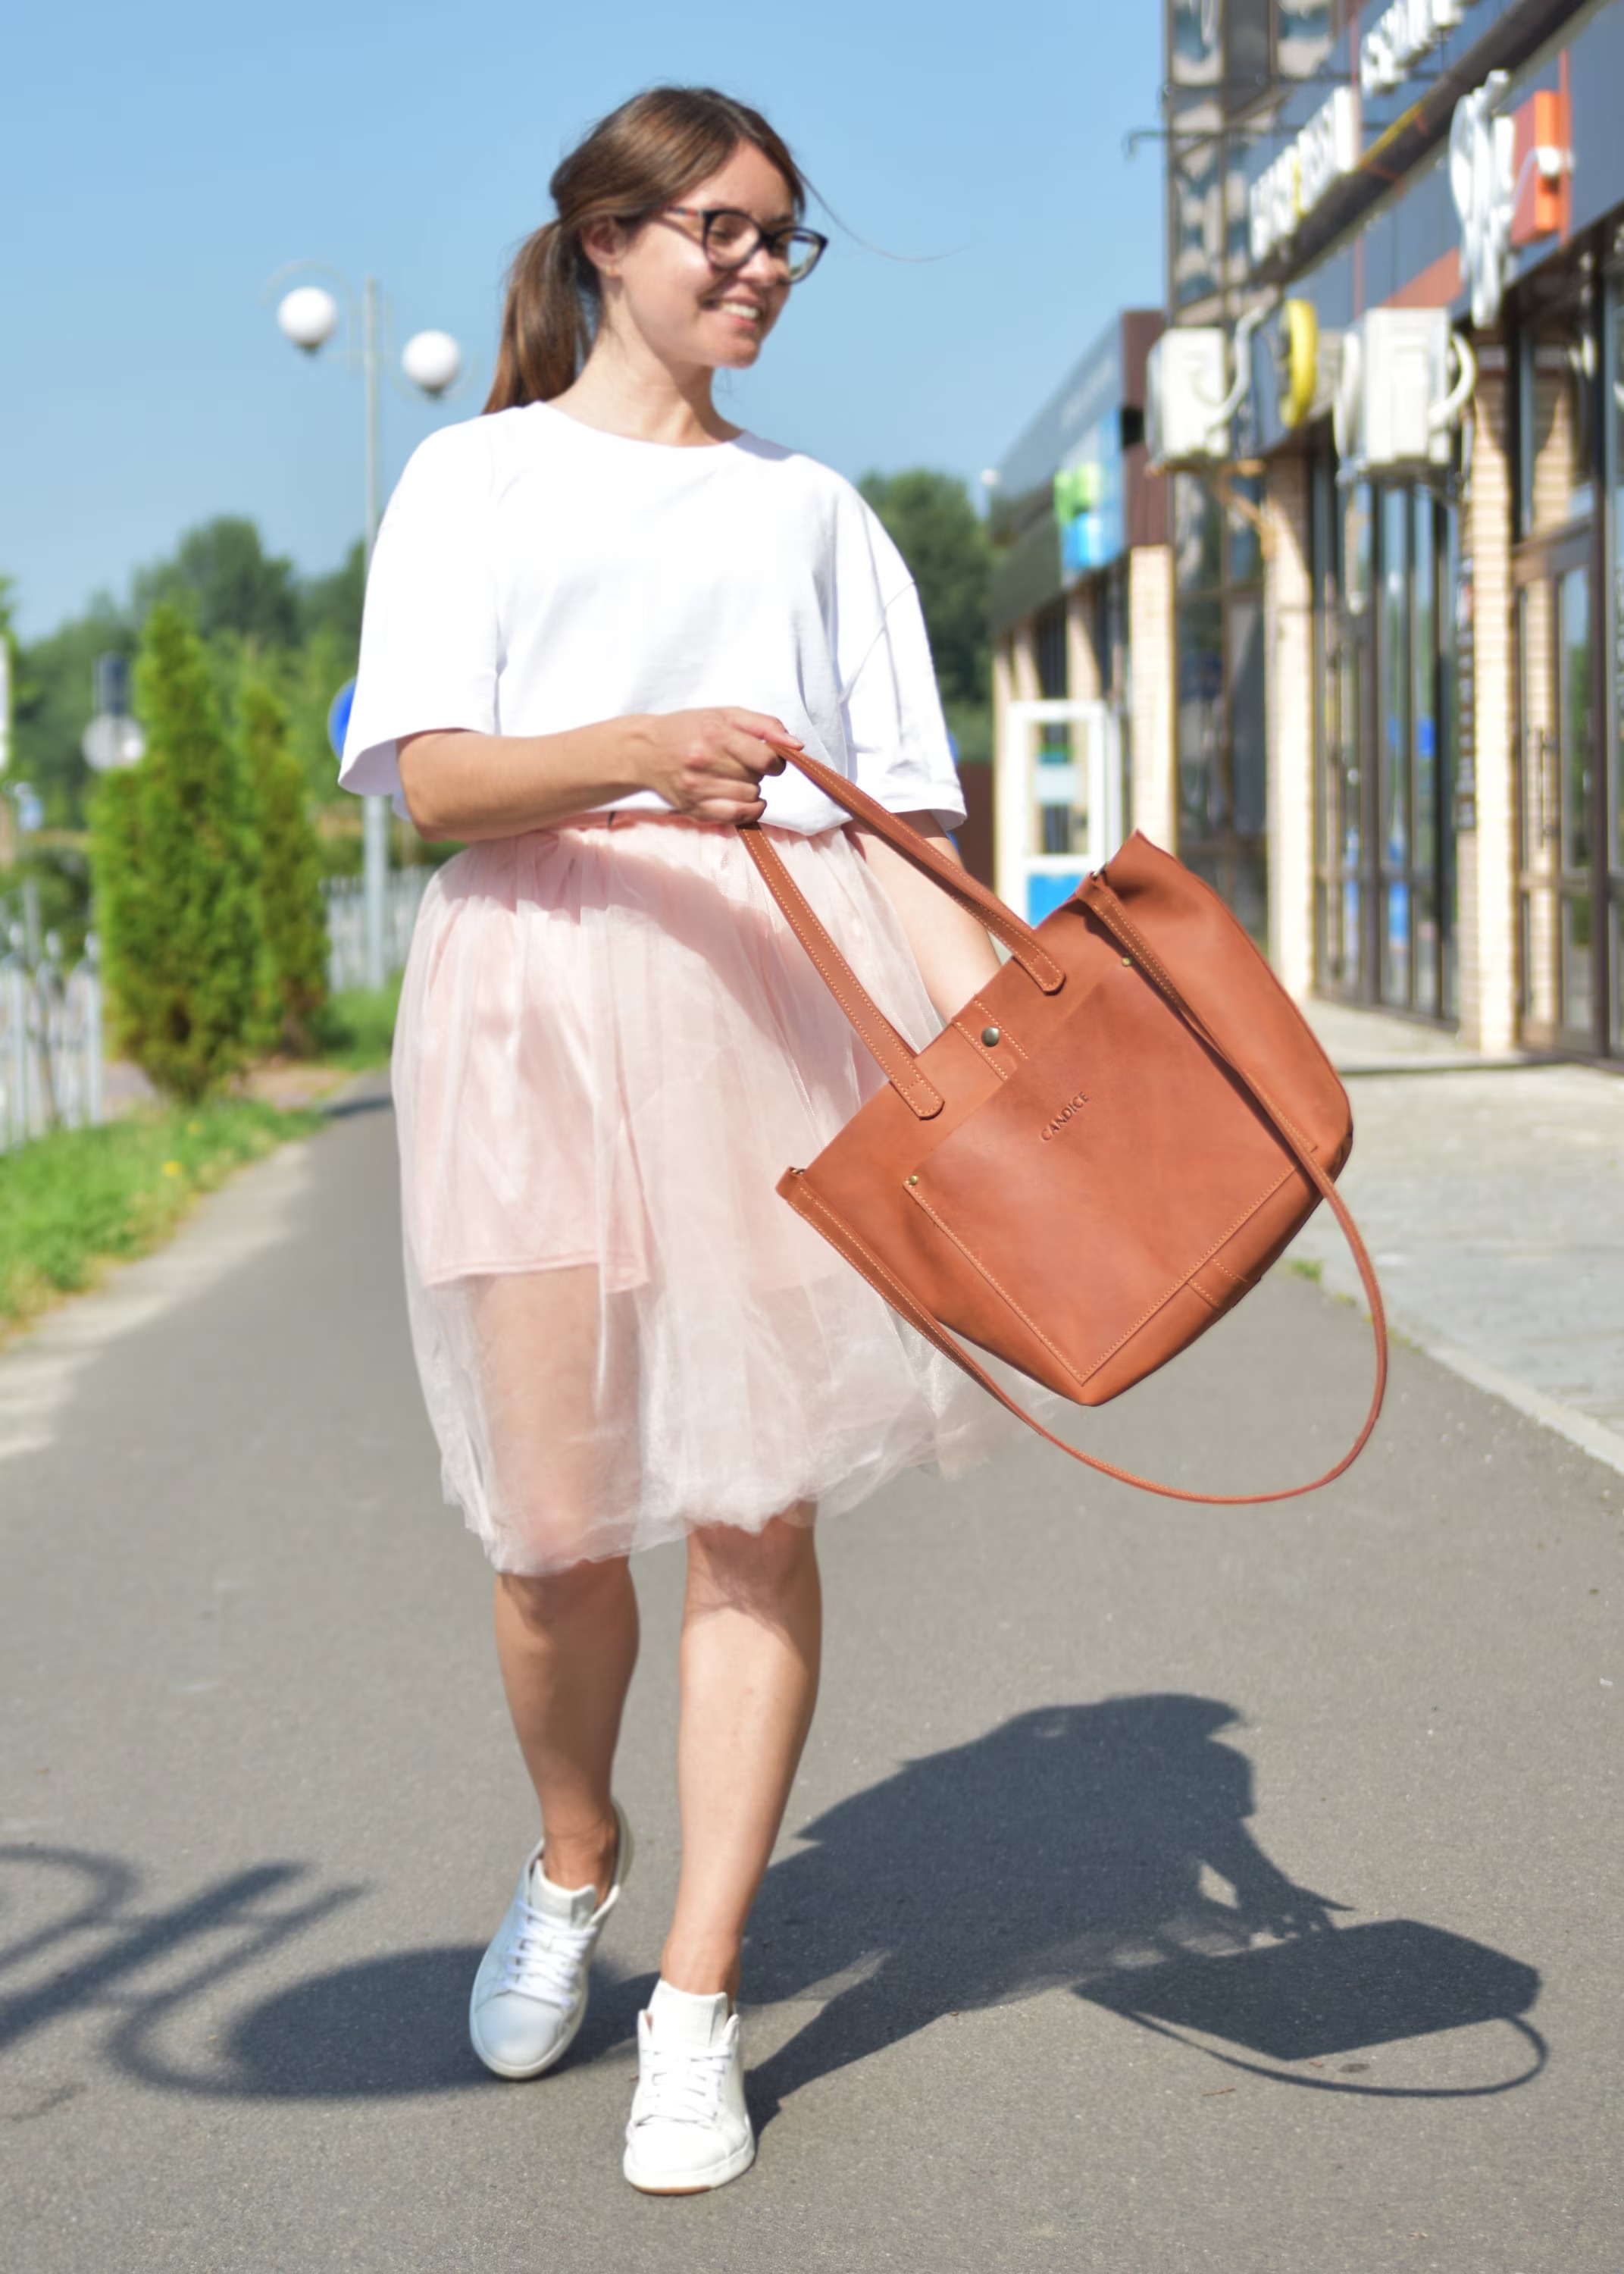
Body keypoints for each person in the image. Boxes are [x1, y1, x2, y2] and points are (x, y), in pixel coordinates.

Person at [340, 84, 1024, 2194]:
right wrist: (648, 752)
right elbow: (429, 780)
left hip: (763, 1015)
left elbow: (915, 819)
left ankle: (699, 1996)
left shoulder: (816, 514)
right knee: (550, 1532)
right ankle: (576, 1855)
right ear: (609, 238)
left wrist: (964, 1072)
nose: (752, 268)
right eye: (718, 229)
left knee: (752, 1506)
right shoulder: (476, 478)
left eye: (778, 240)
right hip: (535, 1006)